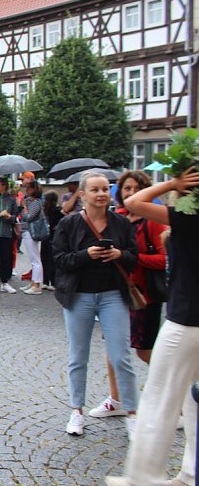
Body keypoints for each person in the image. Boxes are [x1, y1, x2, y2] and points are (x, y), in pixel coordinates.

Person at [105, 166, 199, 486]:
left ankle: (142, 477)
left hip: (186, 319)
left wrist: (172, 183)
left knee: (159, 397)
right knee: (192, 401)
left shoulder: (188, 217)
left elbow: (134, 202)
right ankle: (190, 472)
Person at [52, 171, 138, 437]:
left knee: (121, 355)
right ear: (82, 194)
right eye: (95, 190)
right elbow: (59, 259)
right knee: (78, 356)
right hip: (79, 296)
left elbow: (134, 257)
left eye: (105, 189)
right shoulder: (69, 224)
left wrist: (119, 254)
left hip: (113, 295)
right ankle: (77, 410)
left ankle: (132, 413)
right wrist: (86, 255)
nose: (102, 194)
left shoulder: (120, 223)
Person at [90, 171, 169, 420]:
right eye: (127, 189)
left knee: (145, 351)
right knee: (113, 347)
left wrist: (133, 258)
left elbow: (165, 259)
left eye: (137, 189)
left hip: (143, 296)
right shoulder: (117, 217)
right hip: (115, 292)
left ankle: (174, 401)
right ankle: (117, 400)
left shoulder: (153, 221)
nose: (132, 193)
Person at [19, 180, 45, 294]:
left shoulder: (36, 202)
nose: (26, 190)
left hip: (31, 231)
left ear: (34, 189)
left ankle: (37, 285)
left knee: (35, 259)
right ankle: (34, 281)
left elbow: (28, 217)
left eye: (29, 188)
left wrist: (23, 207)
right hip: (27, 231)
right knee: (33, 258)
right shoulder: (30, 201)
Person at [40, 191, 63, 291]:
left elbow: (61, 223)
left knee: (51, 259)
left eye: (46, 199)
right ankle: (45, 281)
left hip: (53, 238)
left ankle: (53, 282)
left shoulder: (58, 211)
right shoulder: (44, 210)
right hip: (46, 236)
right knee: (44, 258)